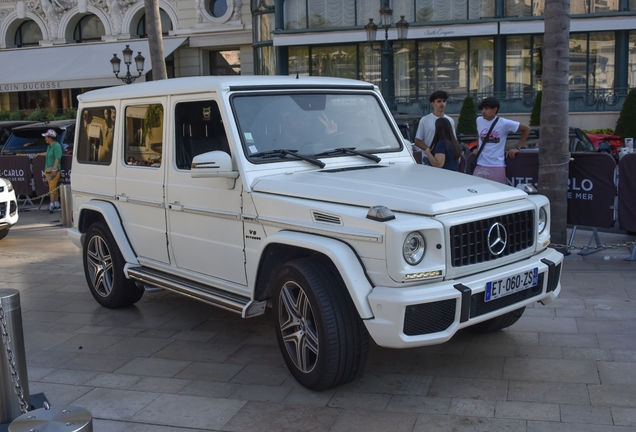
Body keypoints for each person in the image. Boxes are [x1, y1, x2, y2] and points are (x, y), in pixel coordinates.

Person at [473, 96, 530, 184]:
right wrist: (478, 147)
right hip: (480, 164)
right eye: (482, 108)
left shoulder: (504, 123)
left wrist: (518, 148)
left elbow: (526, 129)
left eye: (487, 108)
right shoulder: (479, 120)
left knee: (497, 194)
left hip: (496, 165)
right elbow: (479, 133)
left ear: (495, 109)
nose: (483, 111)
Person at [414, 90, 456, 158]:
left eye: (444, 101)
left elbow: (453, 140)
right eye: (439, 101)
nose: (442, 104)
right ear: (432, 103)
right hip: (429, 159)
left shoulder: (450, 120)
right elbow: (417, 141)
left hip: (446, 159)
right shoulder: (425, 120)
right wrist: (430, 150)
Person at [41, 129, 63, 213]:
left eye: (46, 137)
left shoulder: (57, 146)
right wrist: (39, 154)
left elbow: (57, 158)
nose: (45, 138)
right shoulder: (49, 146)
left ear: (50, 137)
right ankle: (56, 203)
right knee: (53, 187)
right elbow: (47, 154)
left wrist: (54, 170)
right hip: (48, 170)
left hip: (54, 170)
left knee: (52, 187)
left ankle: (52, 204)